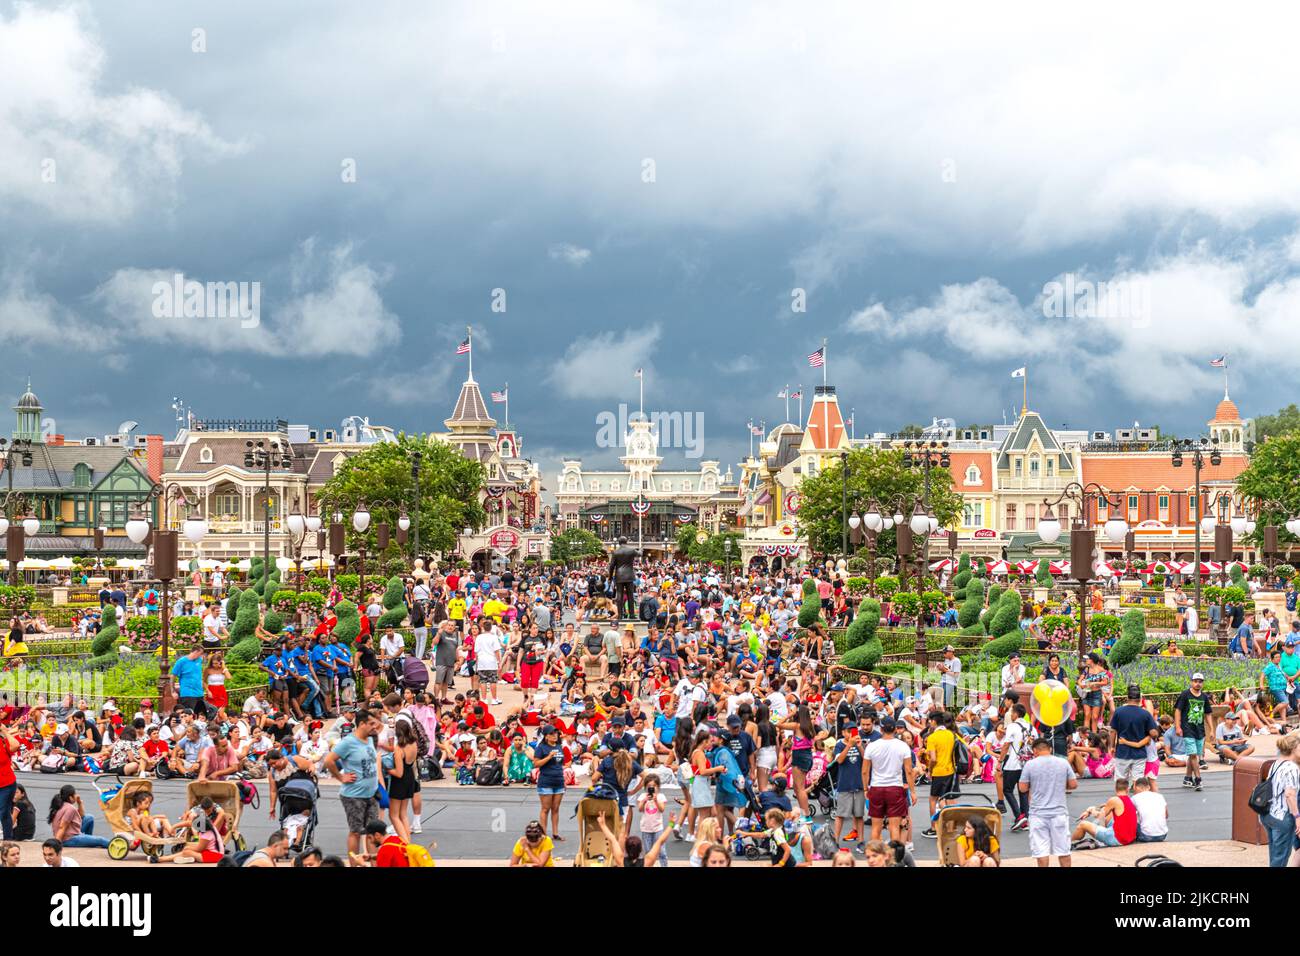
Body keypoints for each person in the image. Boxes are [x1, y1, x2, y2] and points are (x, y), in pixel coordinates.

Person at [323, 708, 381, 861]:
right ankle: (354, 864)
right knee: (355, 831)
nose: (374, 727)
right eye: (371, 724)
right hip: (354, 795)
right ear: (362, 724)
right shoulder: (348, 742)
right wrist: (341, 777)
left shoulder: (369, 739)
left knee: (372, 831)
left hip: (372, 793)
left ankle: (373, 863)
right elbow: (329, 760)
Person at [1018, 737, 1078, 867]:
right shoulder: (1063, 762)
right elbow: (1073, 784)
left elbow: (1022, 788)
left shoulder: (1030, 764)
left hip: (1038, 813)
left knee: (1041, 852)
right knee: (1064, 851)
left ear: (1035, 750)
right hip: (1059, 812)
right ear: (1050, 749)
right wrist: (1060, 785)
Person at [863, 715, 915, 845]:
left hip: (876, 787)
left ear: (881, 729)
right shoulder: (903, 746)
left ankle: (874, 855)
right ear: (896, 730)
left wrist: (865, 788)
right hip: (895, 787)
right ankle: (894, 858)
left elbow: (864, 771)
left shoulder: (871, 746)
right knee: (894, 826)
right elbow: (909, 771)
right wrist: (913, 791)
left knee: (876, 826)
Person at [1261, 732, 1300, 868]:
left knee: (1275, 854)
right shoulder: (1292, 768)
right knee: (1280, 858)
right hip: (1283, 816)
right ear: (1294, 748)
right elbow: (1289, 794)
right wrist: (1297, 817)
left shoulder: (1276, 764)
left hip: (1268, 814)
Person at [1070, 776, 1138, 850]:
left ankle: (1068, 844)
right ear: (1127, 789)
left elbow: (1100, 816)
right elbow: (1104, 808)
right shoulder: (1130, 800)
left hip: (1118, 839)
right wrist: (1091, 810)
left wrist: (1090, 810)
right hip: (1129, 838)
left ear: (1115, 788)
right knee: (1110, 814)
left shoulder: (1114, 800)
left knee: (1082, 824)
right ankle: (1101, 831)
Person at [1111, 683, 1158, 785]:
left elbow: (1113, 731)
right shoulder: (1145, 714)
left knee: (1121, 780)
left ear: (1127, 697)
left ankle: (1122, 799)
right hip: (1139, 753)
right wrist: (1151, 736)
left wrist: (1112, 746)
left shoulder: (1119, 712)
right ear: (1139, 698)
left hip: (1122, 752)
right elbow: (1153, 733)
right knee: (1138, 781)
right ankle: (1139, 798)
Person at [831, 721, 867, 851]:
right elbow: (839, 760)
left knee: (859, 815)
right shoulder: (839, 745)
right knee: (840, 814)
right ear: (843, 732)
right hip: (844, 784)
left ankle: (861, 841)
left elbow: (866, 759)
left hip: (858, 784)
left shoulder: (859, 743)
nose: (851, 734)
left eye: (853, 731)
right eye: (848, 731)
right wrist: (849, 746)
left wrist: (859, 746)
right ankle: (836, 840)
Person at [1174, 672, 1211, 791]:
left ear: (1202, 683)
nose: (1198, 683)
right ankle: (1198, 779)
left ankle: (1187, 778)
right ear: (1191, 682)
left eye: (1200, 681)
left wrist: (1211, 729)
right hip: (1187, 728)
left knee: (1193, 754)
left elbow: (1208, 713)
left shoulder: (1204, 697)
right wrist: (1178, 727)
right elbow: (1178, 710)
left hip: (1199, 730)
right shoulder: (1185, 694)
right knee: (1194, 754)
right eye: (1195, 681)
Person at [47, 785, 110, 849]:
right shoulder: (70, 808)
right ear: (70, 797)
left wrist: (79, 803)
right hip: (68, 839)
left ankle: (89, 841)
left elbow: (82, 816)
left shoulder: (61, 804)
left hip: (70, 833)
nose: (76, 795)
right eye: (75, 794)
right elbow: (62, 827)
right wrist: (56, 844)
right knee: (100, 840)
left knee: (89, 818)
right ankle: (115, 845)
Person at [171, 647, 207, 718]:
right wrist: (173, 691)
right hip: (187, 693)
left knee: (200, 715)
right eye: (200, 653)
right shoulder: (181, 661)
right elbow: (173, 676)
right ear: (196, 651)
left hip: (199, 693)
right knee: (189, 715)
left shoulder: (199, 660)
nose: (201, 655)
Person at [1130, 777, 1168, 843]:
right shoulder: (1160, 796)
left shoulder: (1134, 798)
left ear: (1136, 787)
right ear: (1149, 787)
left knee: (1131, 815)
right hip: (1162, 835)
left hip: (1146, 836)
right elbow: (1166, 815)